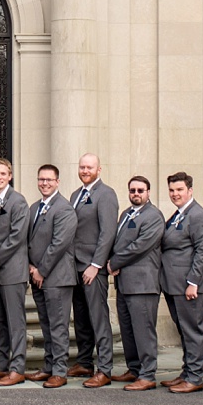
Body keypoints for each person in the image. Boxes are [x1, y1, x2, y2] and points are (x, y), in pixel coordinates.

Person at [158, 171, 203, 394]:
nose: (175, 194)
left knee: (193, 331)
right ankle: (187, 371)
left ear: (190, 190)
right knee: (184, 330)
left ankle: (195, 377)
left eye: (179, 190)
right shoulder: (179, 214)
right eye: (171, 190)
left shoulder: (198, 215)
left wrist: (193, 282)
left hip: (189, 286)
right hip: (174, 285)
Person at [108, 175, 164, 390]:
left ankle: (148, 375)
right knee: (128, 329)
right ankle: (134, 369)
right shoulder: (126, 214)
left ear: (148, 192)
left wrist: (114, 262)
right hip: (124, 283)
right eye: (132, 190)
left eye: (141, 190)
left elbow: (141, 245)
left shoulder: (153, 216)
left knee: (143, 330)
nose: (136, 194)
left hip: (143, 284)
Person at [68, 153, 119, 387]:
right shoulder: (76, 195)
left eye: (89, 167)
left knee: (98, 318)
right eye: (82, 167)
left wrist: (96, 265)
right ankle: (85, 361)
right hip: (75, 267)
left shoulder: (106, 194)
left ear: (100, 169)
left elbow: (107, 233)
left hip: (92, 268)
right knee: (81, 318)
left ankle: (105, 368)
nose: (85, 170)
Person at [24, 164, 77, 388]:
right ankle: (48, 366)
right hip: (37, 276)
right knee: (45, 324)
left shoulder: (64, 209)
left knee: (58, 325)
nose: (44, 183)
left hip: (57, 277)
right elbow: (28, 240)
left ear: (57, 182)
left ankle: (59, 370)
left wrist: (41, 270)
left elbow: (59, 244)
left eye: (49, 180)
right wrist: (29, 266)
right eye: (41, 179)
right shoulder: (34, 207)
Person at [0, 157, 29, 385]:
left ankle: (17, 367)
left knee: (15, 321)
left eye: (3, 173)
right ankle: (0, 364)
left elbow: (16, 238)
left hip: (11, 271)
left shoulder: (19, 202)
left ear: (10, 176)